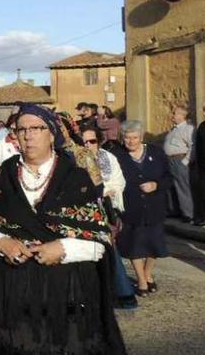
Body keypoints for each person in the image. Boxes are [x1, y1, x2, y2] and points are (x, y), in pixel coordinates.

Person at [0, 104, 126, 354]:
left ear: (51, 133)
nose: (28, 135)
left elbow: (99, 239)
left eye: (36, 128)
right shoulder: (3, 176)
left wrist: (64, 248)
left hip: (66, 293)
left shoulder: (75, 179)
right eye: (21, 129)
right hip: (10, 291)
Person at [80, 126, 136, 309]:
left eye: (92, 141)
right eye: (84, 142)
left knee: (109, 248)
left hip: (107, 209)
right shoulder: (77, 160)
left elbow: (119, 181)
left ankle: (123, 293)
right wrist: (102, 189)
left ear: (99, 141)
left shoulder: (108, 158)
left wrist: (108, 191)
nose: (88, 145)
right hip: (85, 211)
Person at [114, 120, 172, 297]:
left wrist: (156, 184)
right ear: (122, 138)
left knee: (153, 244)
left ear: (141, 137)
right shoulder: (117, 155)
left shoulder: (156, 152)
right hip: (131, 208)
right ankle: (141, 279)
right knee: (135, 245)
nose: (131, 141)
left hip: (155, 207)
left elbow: (169, 177)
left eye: (135, 137)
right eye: (127, 138)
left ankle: (147, 273)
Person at [163, 105, 195, 223]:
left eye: (175, 113)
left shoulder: (188, 128)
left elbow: (193, 145)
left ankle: (188, 213)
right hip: (169, 160)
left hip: (179, 160)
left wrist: (186, 161)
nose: (172, 115)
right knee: (171, 186)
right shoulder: (174, 129)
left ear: (182, 116)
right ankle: (174, 210)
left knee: (182, 186)